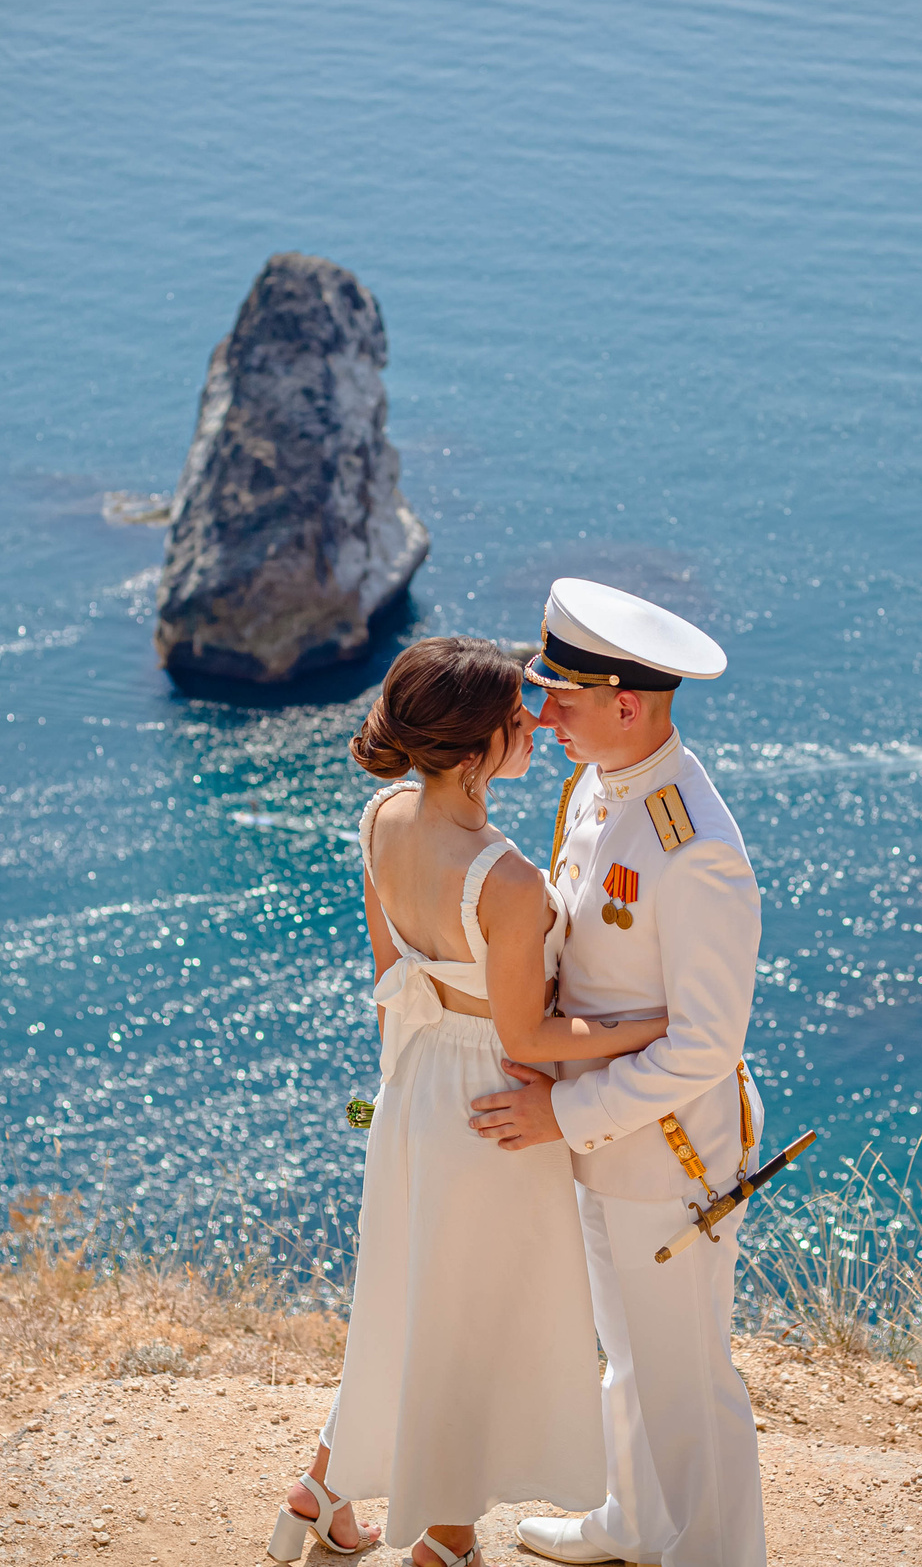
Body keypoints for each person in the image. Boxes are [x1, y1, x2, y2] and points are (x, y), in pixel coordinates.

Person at [271, 635, 671, 1567]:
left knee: (403, 1299)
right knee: (473, 1321)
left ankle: (323, 1488)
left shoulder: (382, 817)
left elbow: (388, 977)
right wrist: (650, 1026)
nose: (534, 723)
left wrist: (389, 1104)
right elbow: (530, 1036)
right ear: (472, 748)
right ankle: (445, 1538)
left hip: (412, 1082)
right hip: (494, 1107)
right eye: (514, 718)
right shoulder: (507, 878)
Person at [470, 580, 768, 1567]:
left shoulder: (697, 848)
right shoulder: (599, 787)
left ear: (627, 705)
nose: (543, 716)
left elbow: (705, 1045)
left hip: (667, 1153)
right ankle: (636, 1523)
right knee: (631, 1356)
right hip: (606, 1139)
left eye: (562, 699)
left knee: (687, 1379)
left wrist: (566, 1112)